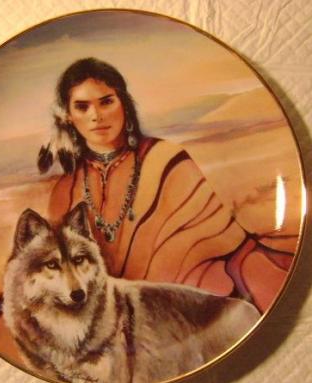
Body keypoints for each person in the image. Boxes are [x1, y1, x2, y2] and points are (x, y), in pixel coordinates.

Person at [38, 57, 294, 313]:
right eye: (82, 107)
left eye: (106, 102)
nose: (96, 116)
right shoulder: (65, 189)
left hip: (181, 299)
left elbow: (212, 238)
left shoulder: (166, 159)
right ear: (68, 117)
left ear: (123, 103)